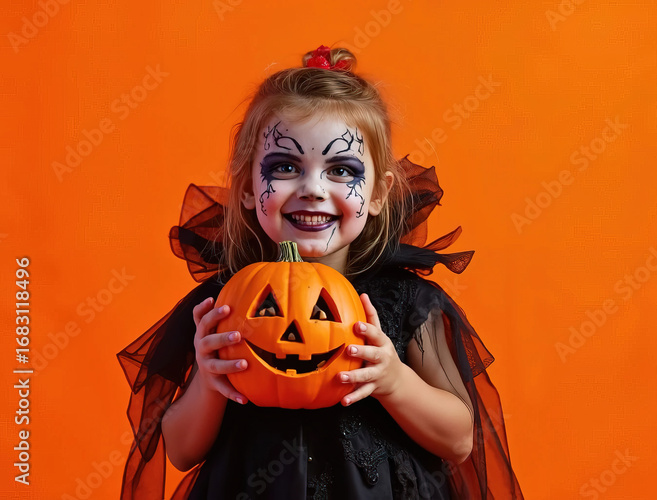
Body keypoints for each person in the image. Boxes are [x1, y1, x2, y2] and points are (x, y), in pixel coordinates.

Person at [117, 45, 523, 499]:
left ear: (377, 194)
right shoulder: (227, 302)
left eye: (341, 169)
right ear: (249, 186)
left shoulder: (405, 302)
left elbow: (460, 440)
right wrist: (210, 384)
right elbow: (180, 451)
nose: (312, 189)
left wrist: (393, 380)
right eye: (285, 166)